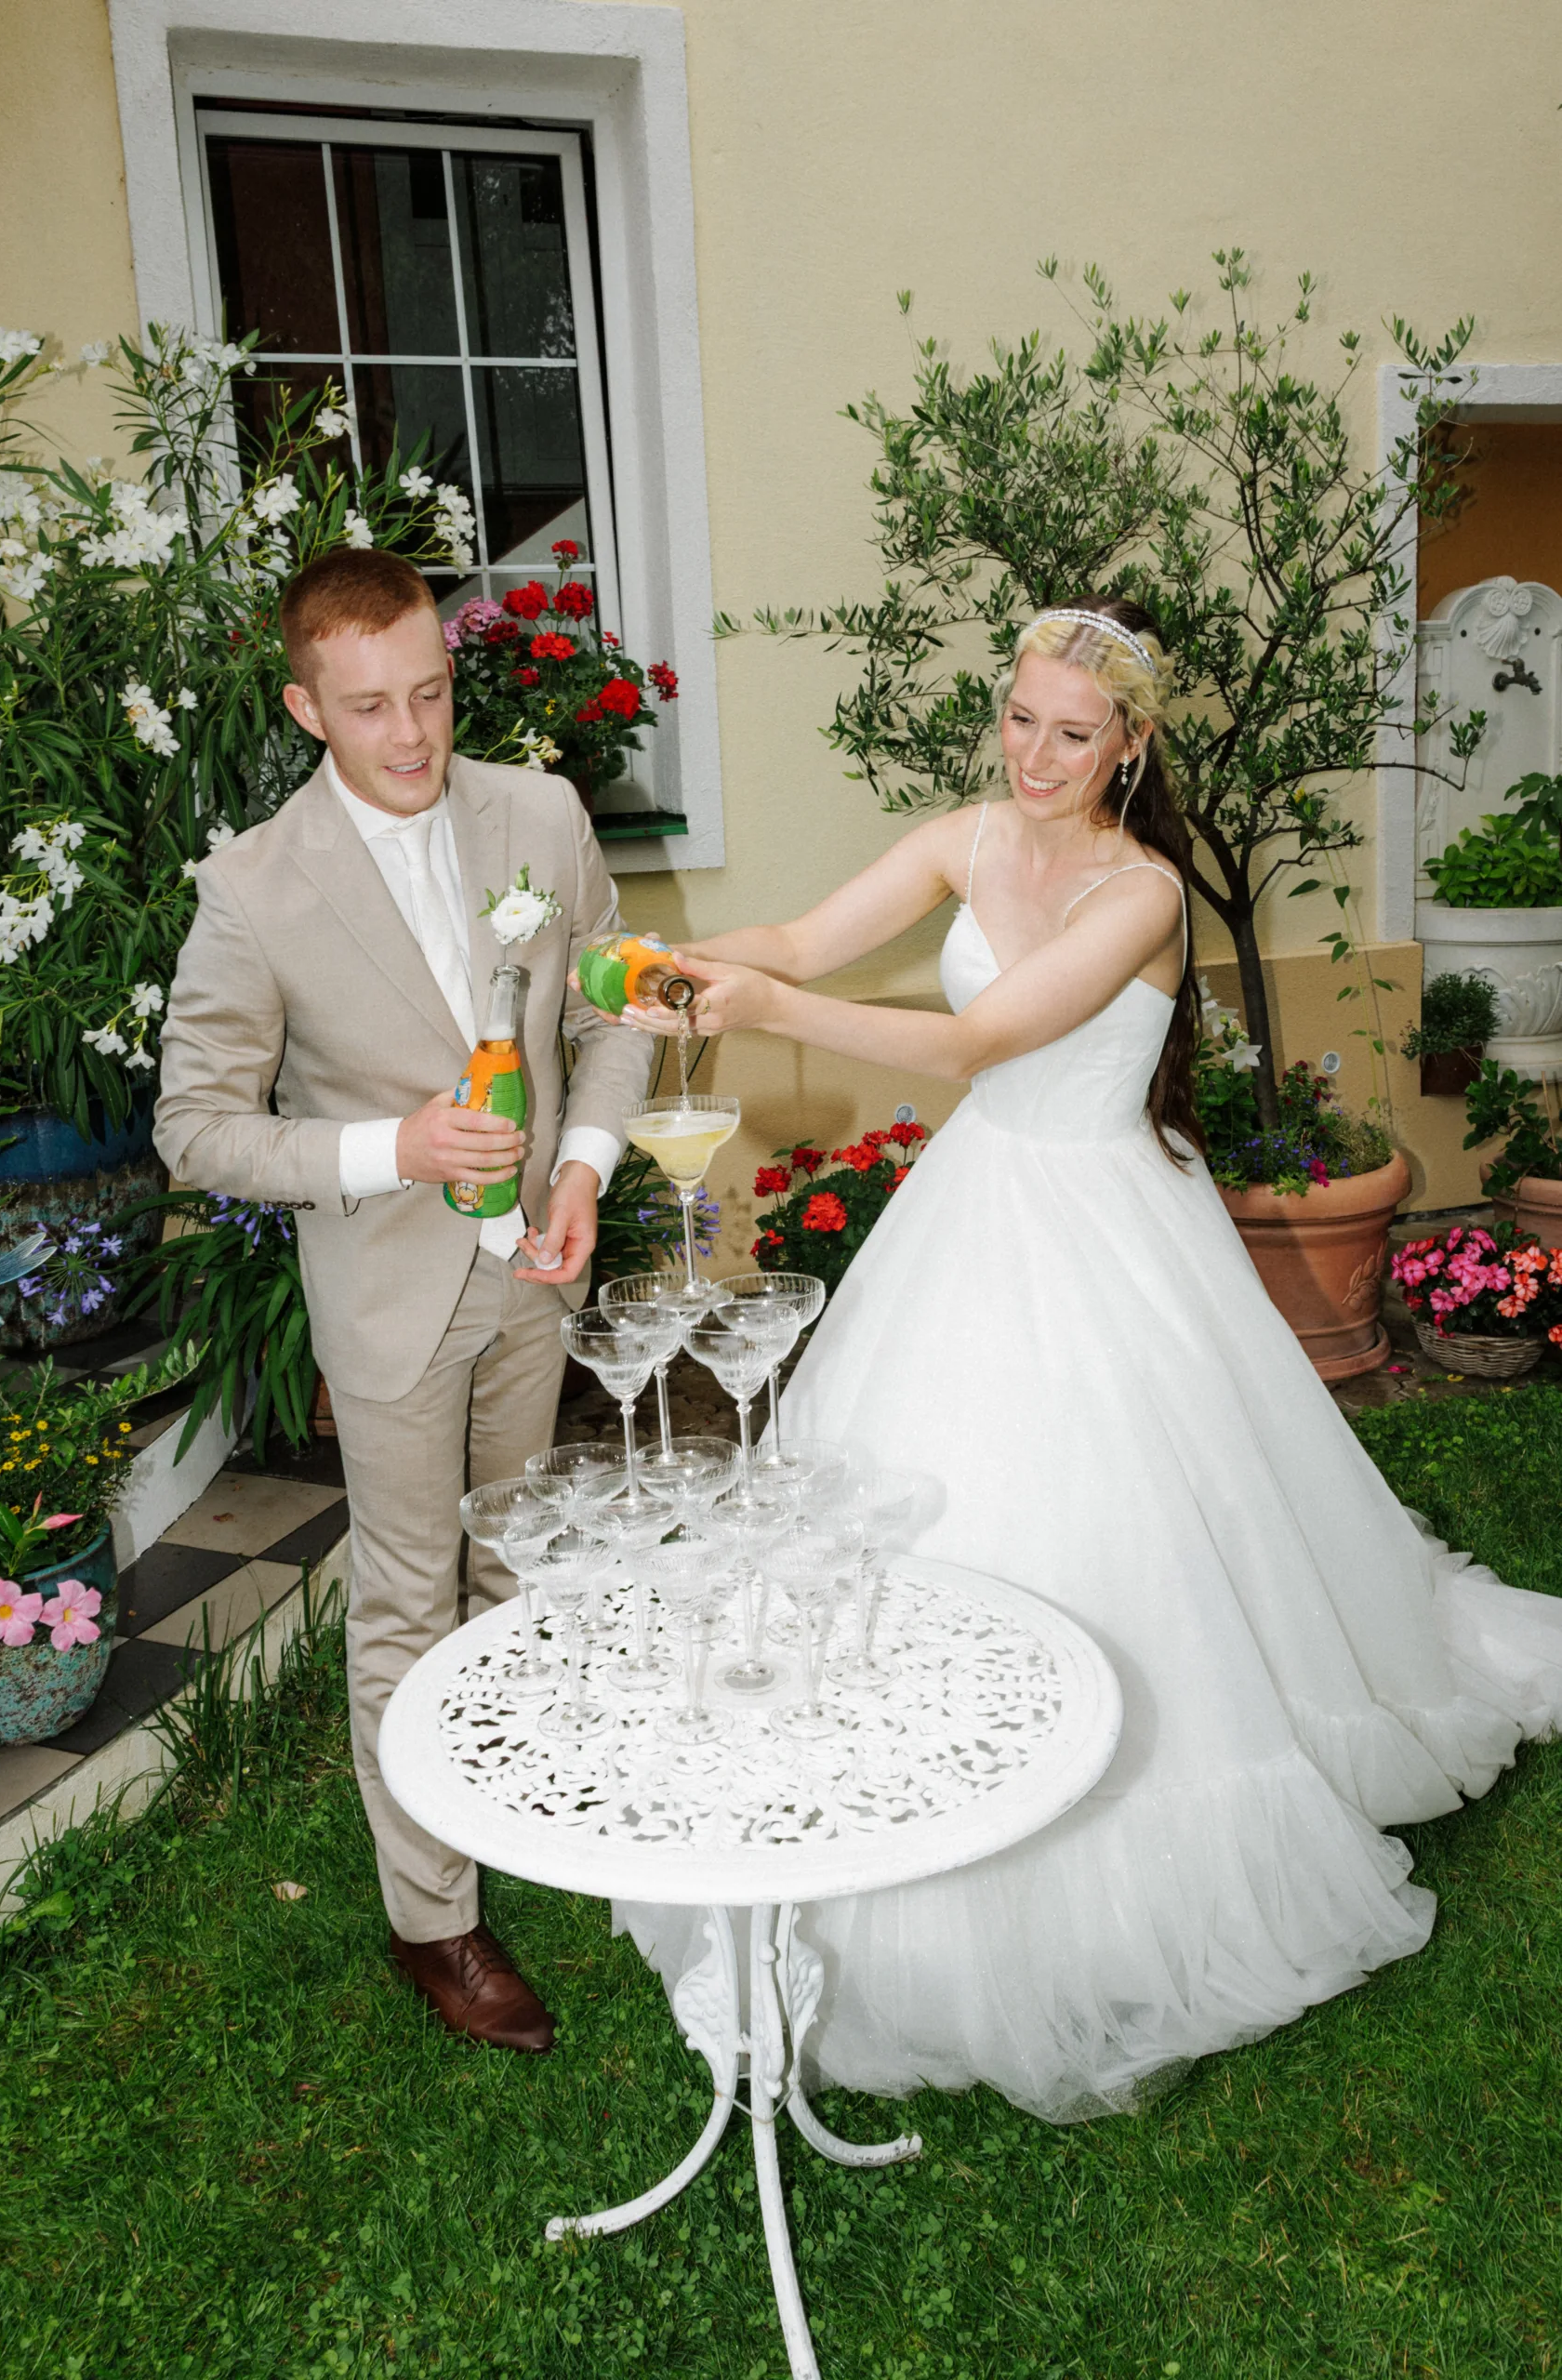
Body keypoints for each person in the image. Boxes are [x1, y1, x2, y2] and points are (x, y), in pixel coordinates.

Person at [616, 598, 1562, 2121]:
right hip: (974, 1205)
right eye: (1019, 719)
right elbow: (791, 940)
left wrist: (770, 1009)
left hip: (1095, 1222)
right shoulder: (964, 836)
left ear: (1129, 744)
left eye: (1072, 733)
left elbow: (972, 1043)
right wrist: (664, 961)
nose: (1036, 756)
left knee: (1124, 1516)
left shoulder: (1142, 895)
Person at [155, 549, 653, 2054]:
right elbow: (196, 1129)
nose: (413, 733)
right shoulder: (253, 888)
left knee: (516, 1562)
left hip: (536, 1273)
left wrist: (583, 1165)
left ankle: (509, 1801)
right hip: (387, 1301)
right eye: (370, 707)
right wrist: (395, 1149)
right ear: (307, 708)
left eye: (431, 693)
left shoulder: (539, 815)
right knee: (404, 1599)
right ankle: (434, 1922)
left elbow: (612, 1005)